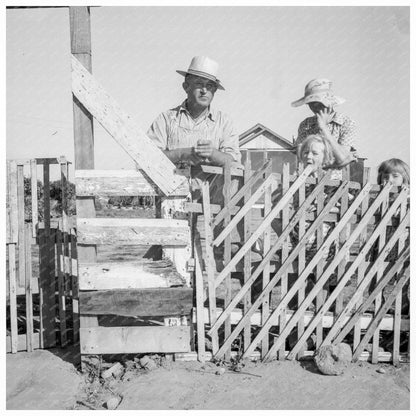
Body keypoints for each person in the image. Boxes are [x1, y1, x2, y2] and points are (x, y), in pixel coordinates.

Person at [147, 55, 241, 205]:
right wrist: (182, 154)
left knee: (237, 171)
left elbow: (233, 161)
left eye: (210, 86)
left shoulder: (224, 122)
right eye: (199, 84)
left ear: (215, 91)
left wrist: (213, 154)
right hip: (173, 194)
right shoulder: (166, 119)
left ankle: (220, 226)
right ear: (186, 87)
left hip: (212, 200)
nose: (204, 90)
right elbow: (149, 157)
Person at [292, 78, 357, 178]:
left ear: (329, 103)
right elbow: (302, 159)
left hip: (335, 186)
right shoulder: (305, 125)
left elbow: (343, 159)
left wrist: (323, 128)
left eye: (317, 103)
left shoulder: (346, 123)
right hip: (307, 182)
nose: (314, 107)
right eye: (310, 104)